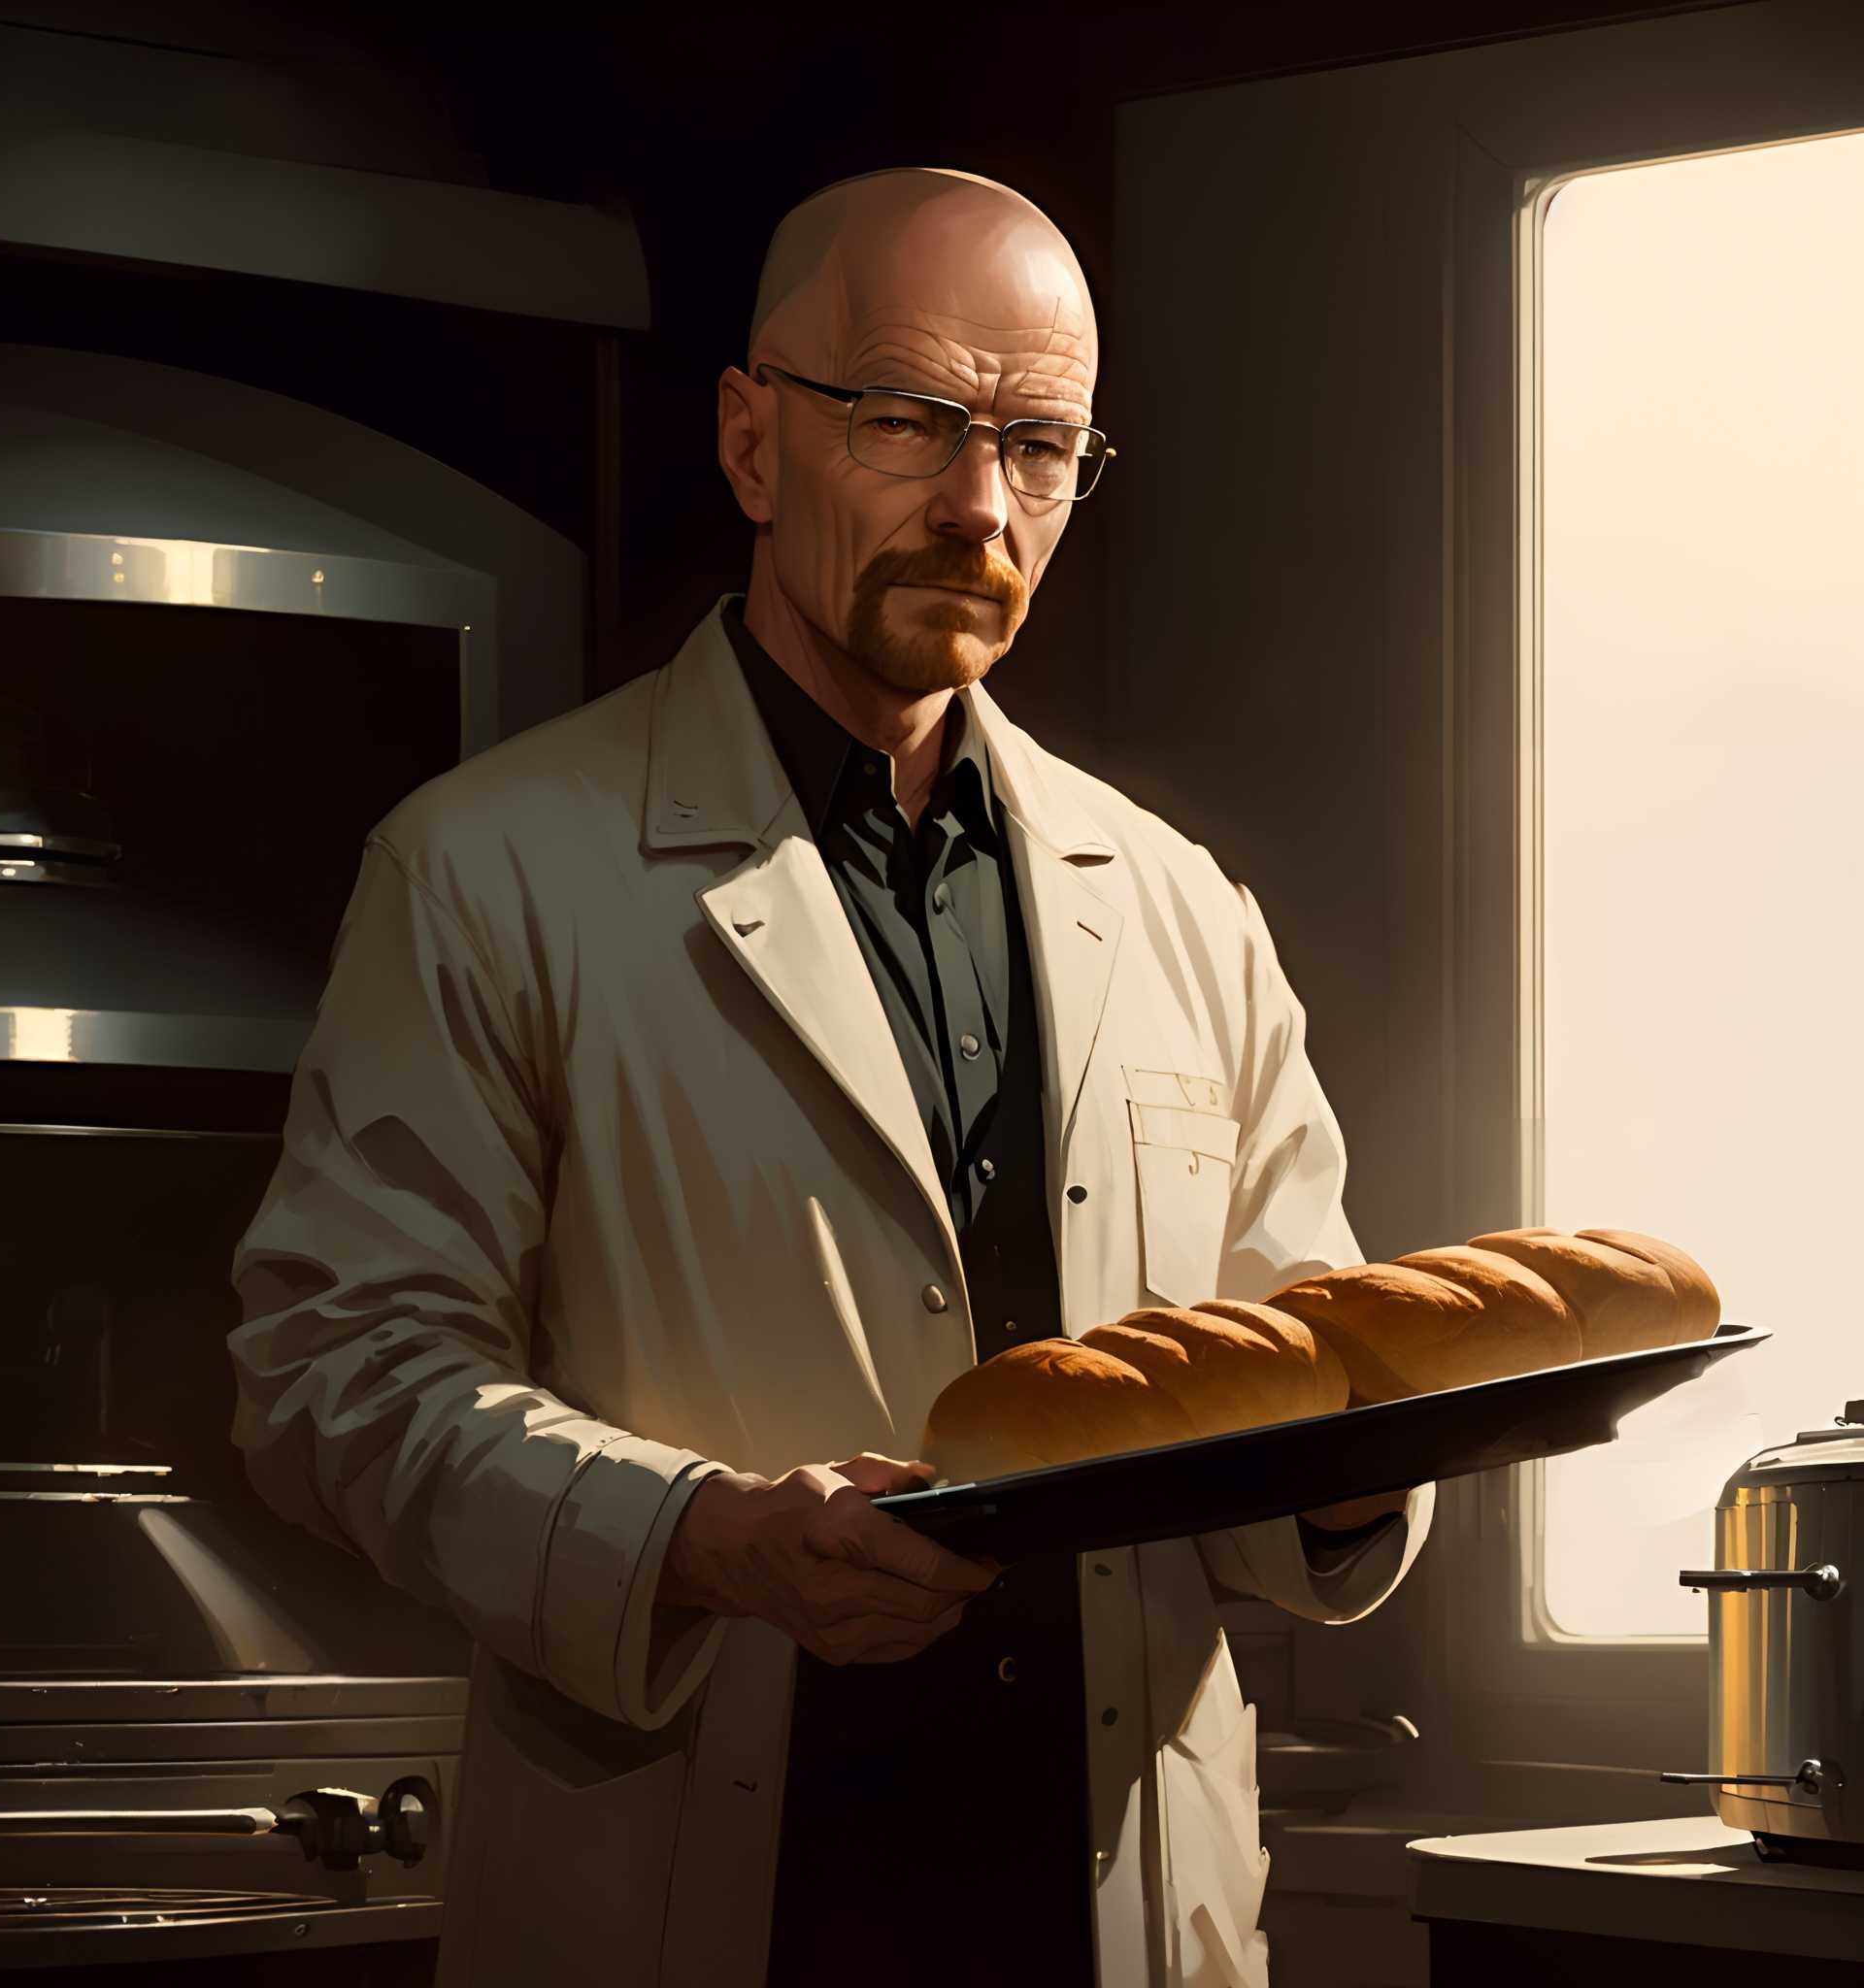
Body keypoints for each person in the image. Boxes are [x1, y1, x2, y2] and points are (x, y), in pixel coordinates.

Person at [227, 165, 1434, 1988]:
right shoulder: (489, 867)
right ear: (749, 438)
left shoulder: (1182, 906)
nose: (979, 504)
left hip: (1110, 1911)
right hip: (715, 1893)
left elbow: (1283, 1382)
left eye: (1040, 445)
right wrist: (699, 1539)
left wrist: (1361, 1473)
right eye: (910, 419)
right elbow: (336, 1375)